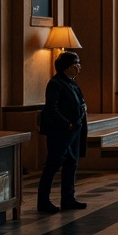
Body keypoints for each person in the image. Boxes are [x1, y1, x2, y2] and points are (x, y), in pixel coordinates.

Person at [38, 52, 89, 214]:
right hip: (61, 132)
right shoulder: (56, 83)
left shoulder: (72, 83)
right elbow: (50, 109)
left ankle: (68, 199)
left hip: (74, 131)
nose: (79, 67)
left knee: (71, 165)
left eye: (79, 64)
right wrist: (66, 124)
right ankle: (43, 201)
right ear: (66, 67)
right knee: (52, 166)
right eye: (76, 64)